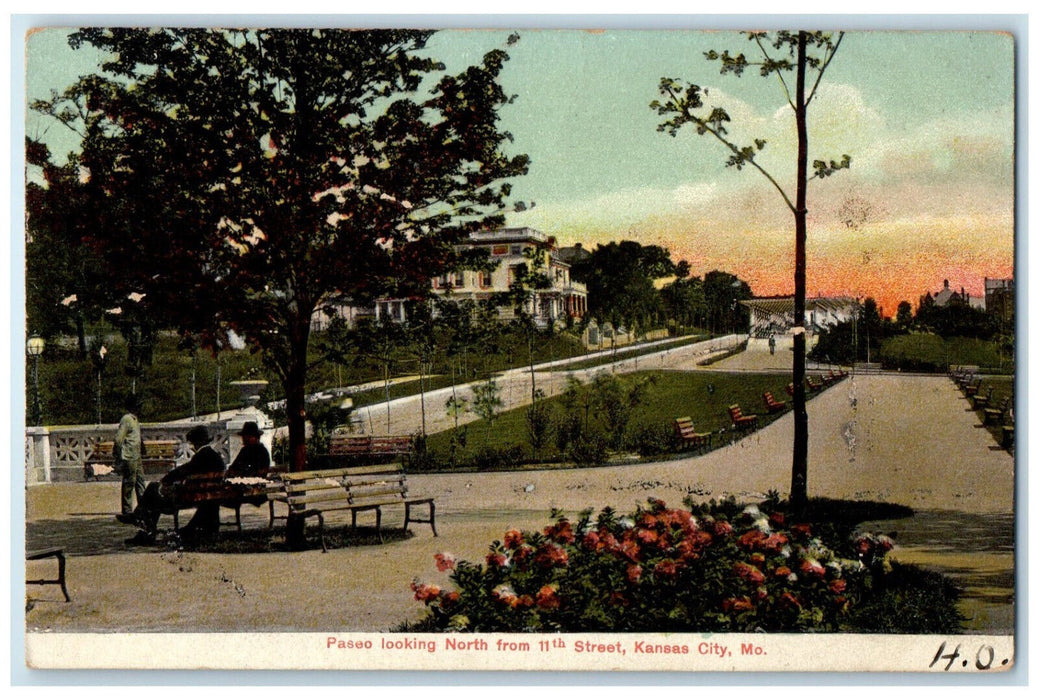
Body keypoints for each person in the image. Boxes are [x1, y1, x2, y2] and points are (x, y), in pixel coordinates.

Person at [118, 425, 226, 544]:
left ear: (196, 443)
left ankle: (142, 527)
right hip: (205, 494)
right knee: (152, 496)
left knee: (153, 491)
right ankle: (140, 521)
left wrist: (165, 480)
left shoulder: (201, 456)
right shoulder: (216, 457)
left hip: (189, 497)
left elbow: (183, 471)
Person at [114, 394, 144, 517]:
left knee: (140, 482)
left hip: (136, 455)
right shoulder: (126, 419)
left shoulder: (135, 419)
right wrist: (118, 455)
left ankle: (143, 506)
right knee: (129, 483)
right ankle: (127, 509)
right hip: (128, 456)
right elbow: (118, 439)